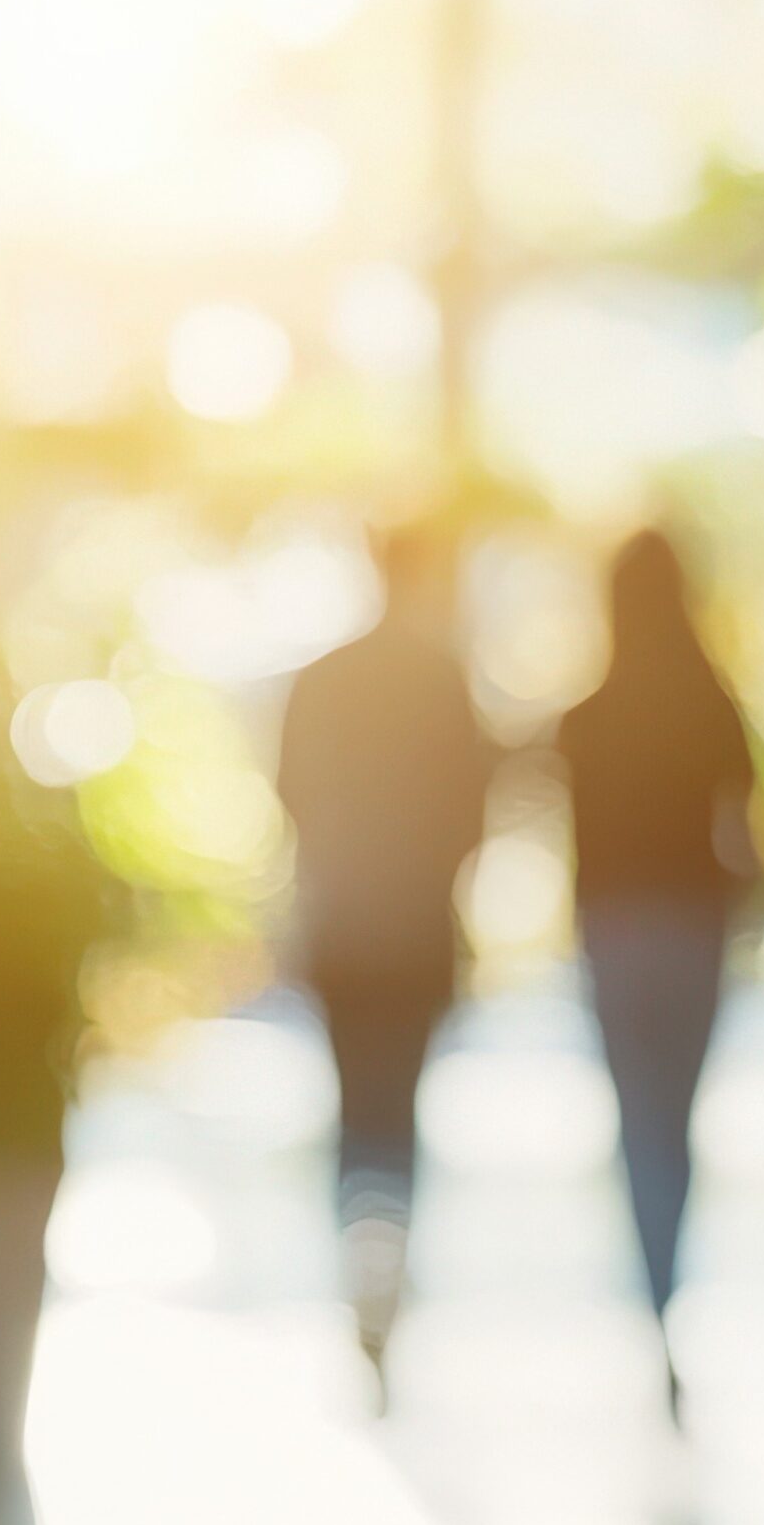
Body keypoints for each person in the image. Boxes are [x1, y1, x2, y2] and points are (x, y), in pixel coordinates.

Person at [278, 525, 494, 1382]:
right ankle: (389, 1264)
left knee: (351, 1097)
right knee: (399, 1099)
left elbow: (287, 792)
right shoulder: (444, 678)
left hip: (342, 920)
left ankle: (356, 1260)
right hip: (416, 926)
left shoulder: (323, 676)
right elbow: (477, 805)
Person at [559, 530, 756, 1411]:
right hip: (693, 932)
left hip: (616, 935)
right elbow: (748, 830)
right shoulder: (713, 701)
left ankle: (657, 1295)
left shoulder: (586, 712)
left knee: (640, 1117)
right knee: (674, 1116)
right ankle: (666, 1295)